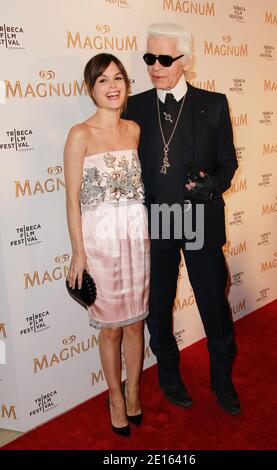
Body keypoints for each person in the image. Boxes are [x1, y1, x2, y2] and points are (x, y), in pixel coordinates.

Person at [124, 23, 241, 415]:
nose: (154, 67)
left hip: (198, 219)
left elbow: (229, 162)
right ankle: (169, 374)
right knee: (158, 304)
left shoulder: (215, 103)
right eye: (148, 58)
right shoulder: (134, 106)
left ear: (186, 61)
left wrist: (214, 185)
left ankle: (222, 380)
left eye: (164, 59)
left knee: (213, 304)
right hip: (156, 219)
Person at [64, 53, 150, 437]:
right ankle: (115, 396)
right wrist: (78, 251)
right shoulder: (79, 134)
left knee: (135, 324)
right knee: (112, 329)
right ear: (90, 88)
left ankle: (134, 391)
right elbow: (71, 200)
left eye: (118, 78)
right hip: (100, 243)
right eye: (103, 80)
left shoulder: (133, 130)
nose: (113, 86)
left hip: (136, 237)